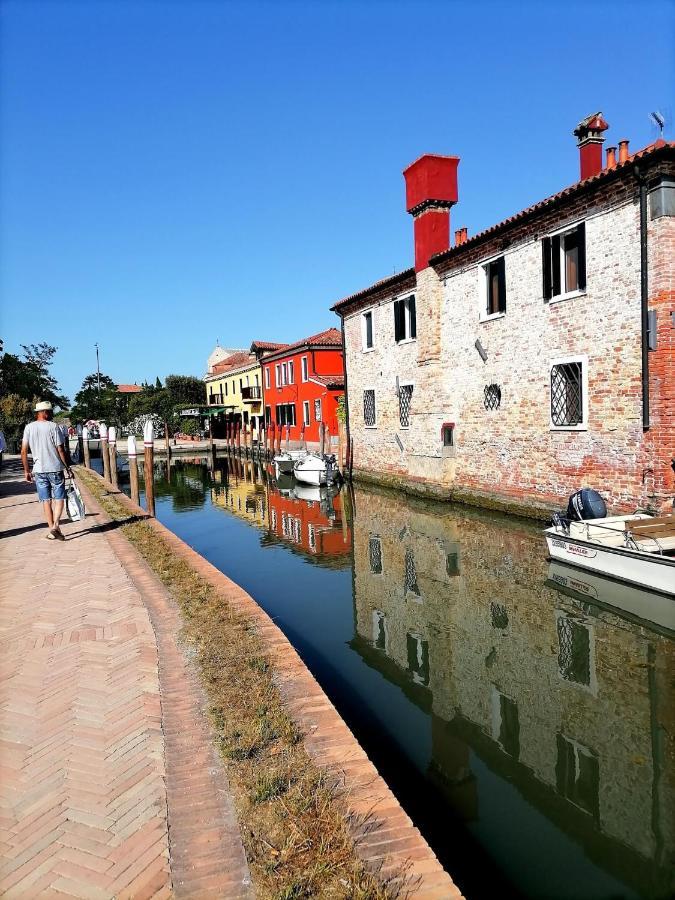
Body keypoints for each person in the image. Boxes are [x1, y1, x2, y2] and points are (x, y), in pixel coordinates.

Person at [21, 401, 73, 540]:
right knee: (59, 497)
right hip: (55, 467)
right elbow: (60, 449)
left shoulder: (29, 428)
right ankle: (55, 525)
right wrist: (67, 467)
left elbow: (24, 451)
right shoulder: (53, 427)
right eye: (49, 411)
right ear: (43, 412)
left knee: (46, 500)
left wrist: (27, 471)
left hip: (39, 470)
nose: (51, 413)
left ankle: (52, 530)